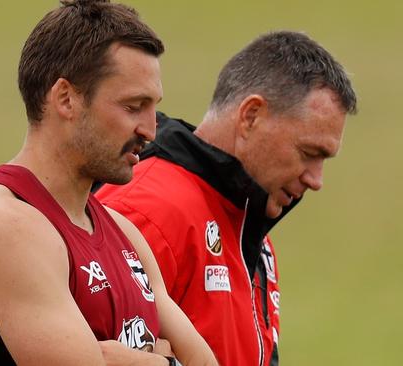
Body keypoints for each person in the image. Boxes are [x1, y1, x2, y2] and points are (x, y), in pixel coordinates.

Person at [0, 1, 217, 365]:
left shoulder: (124, 232)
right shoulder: (1, 226)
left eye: (153, 106)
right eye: (133, 107)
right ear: (66, 99)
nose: (151, 130)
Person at [96, 31, 358, 366]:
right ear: (251, 116)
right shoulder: (149, 211)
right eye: (308, 152)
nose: (316, 179)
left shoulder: (247, 223)